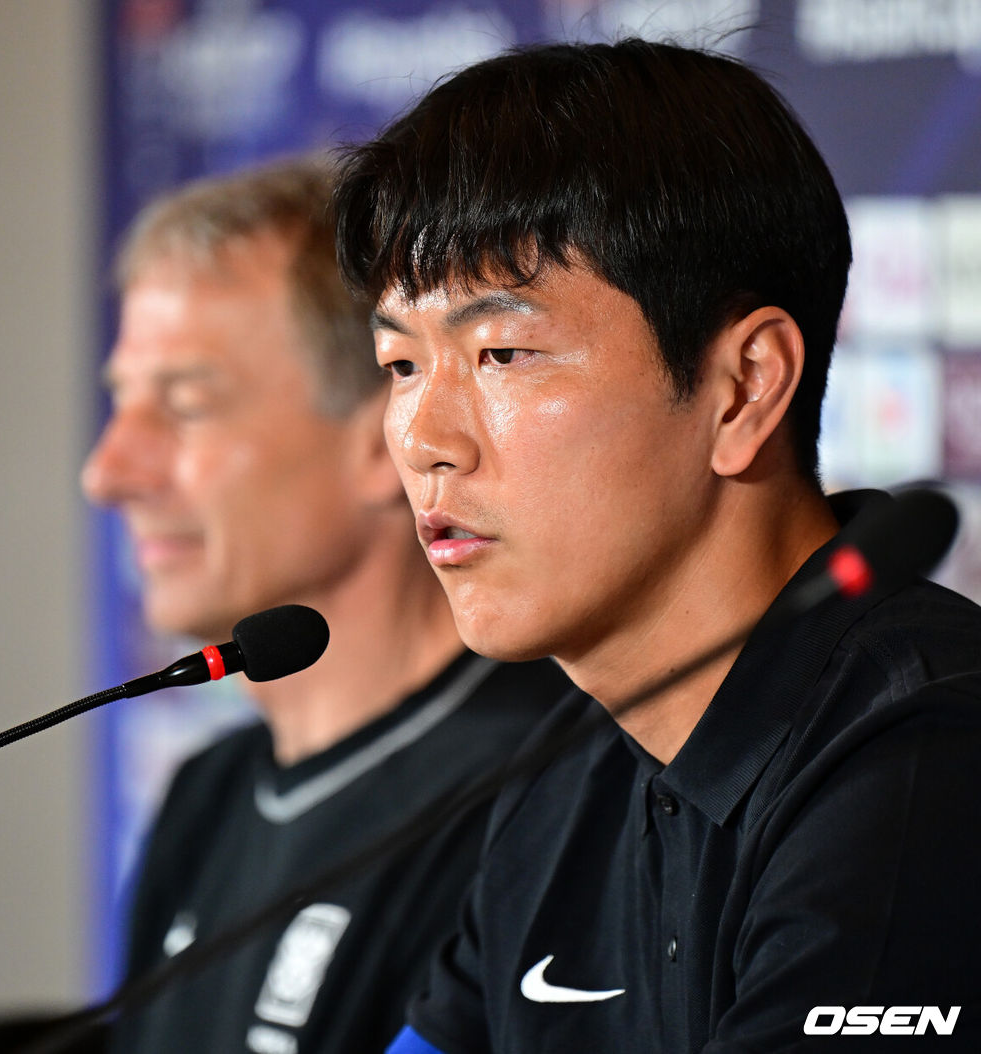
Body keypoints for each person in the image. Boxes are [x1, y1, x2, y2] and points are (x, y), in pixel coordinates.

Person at [331, 38, 981, 1052]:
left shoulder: (925, 754)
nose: (421, 442)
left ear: (744, 386)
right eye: (401, 364)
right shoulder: (560, 780)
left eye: (501, 352)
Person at [79, 156, 571, 1054]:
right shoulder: (208, 794)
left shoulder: (547, 794)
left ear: (388, 440)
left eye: (185, 406)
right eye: (121, 406)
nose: (108, 474)